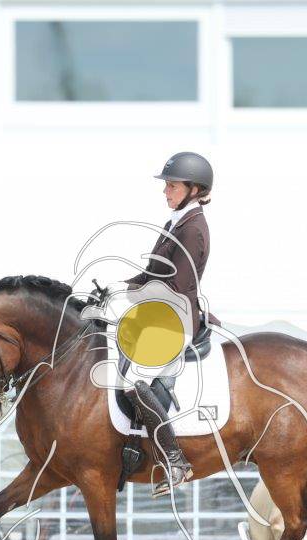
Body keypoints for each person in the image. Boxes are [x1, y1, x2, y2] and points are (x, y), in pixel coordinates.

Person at [121, 151, 215, 496]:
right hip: (158, 316)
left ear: (194, 189)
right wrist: (119, 287)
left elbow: (178, 285)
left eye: (172, 186)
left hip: (175, 319)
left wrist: (139, 294)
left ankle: (175, 461)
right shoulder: (174, 224)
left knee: (133, 380)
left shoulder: (194, 229)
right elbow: (153, 272)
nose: (166, 191)